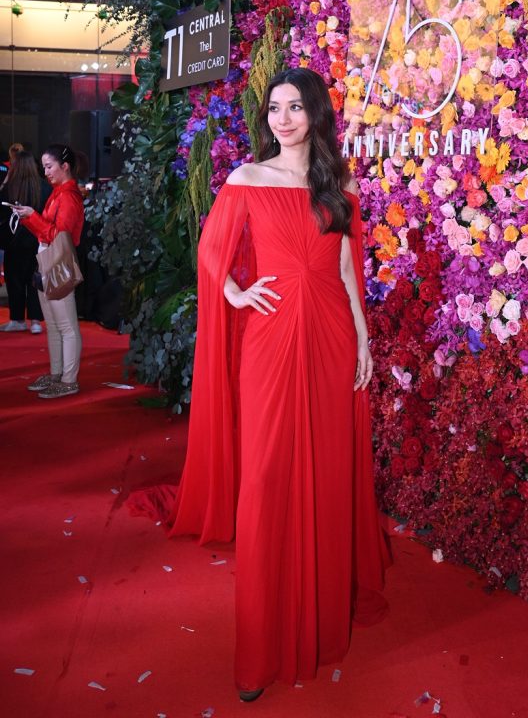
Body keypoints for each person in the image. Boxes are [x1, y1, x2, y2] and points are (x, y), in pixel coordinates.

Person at [168, 67, 390, 701]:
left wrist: (363, 339)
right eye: (274, 108)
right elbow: (211, 252)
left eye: (295, 107)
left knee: (326, 469)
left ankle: (319, 619)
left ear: (316, 114)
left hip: (331, 335)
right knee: (266, 475)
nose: (283, 119)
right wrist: (237, 293)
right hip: (269, 338)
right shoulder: (247, 177)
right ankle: (262, 644)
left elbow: (346, 268)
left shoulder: (339, 183)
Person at [12, 144, 85, 398]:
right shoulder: (59, 193)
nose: (46, 172)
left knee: (65, 326)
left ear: (65, 166)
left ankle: (68, 379)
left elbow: (58, 235)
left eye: (49, 166)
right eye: (44, 167)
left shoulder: (68, 196)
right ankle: (58, 374)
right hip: (48, 261)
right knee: (55, 325)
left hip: (58, 263)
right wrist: (29, 217)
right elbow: (48, 233)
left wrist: (32, 216)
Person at [0, 151, 50, 333]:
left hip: (13, 241)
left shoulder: (9, 187)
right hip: (38, 239)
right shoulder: (44, 187)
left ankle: (17, 319)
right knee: (35, 279)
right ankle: (36, 321)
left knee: (15, 280)